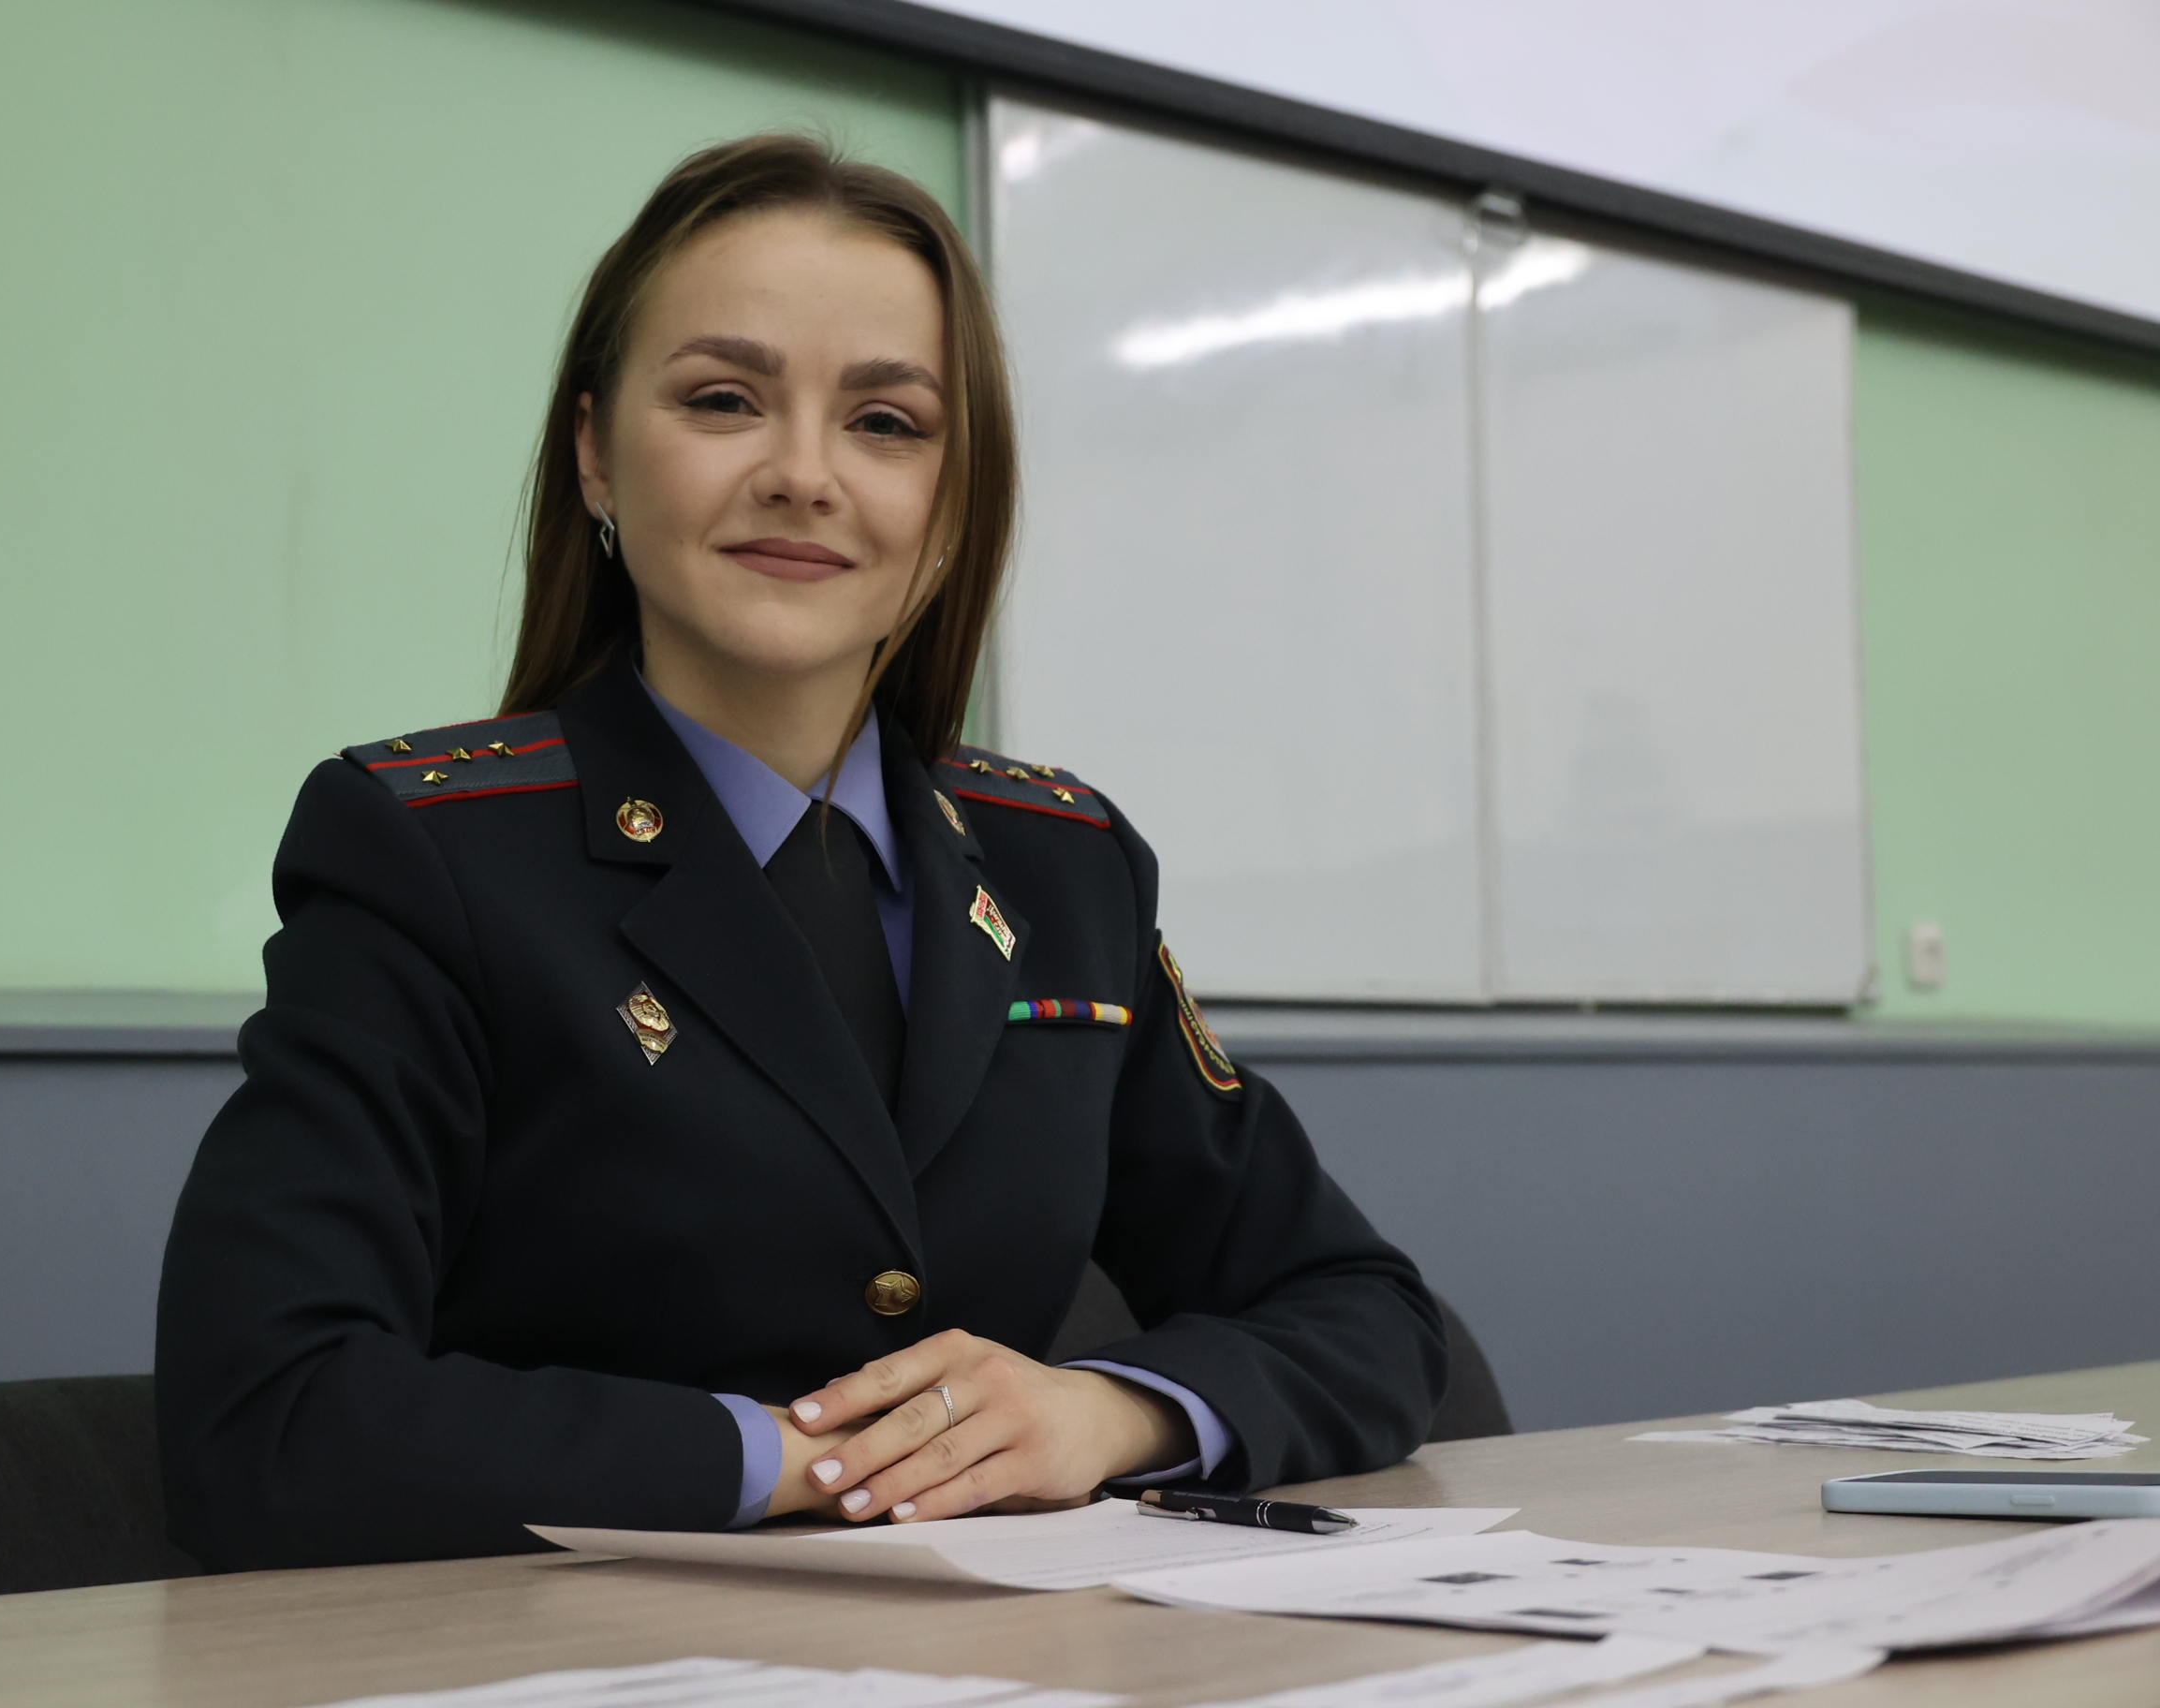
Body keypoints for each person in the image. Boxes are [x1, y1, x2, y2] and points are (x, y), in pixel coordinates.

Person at [154, 135, 1446, 1568]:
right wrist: (797, 1458)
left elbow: (1366, 1312)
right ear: (595, 453)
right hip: (560, 1646)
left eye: (887, 423)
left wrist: (1102, 1413)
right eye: (725, 400)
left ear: (954, 501)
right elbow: (270, 1414)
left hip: (1003, 1650)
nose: (804, 475)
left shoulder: (1063, 865)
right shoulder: (427, 853)